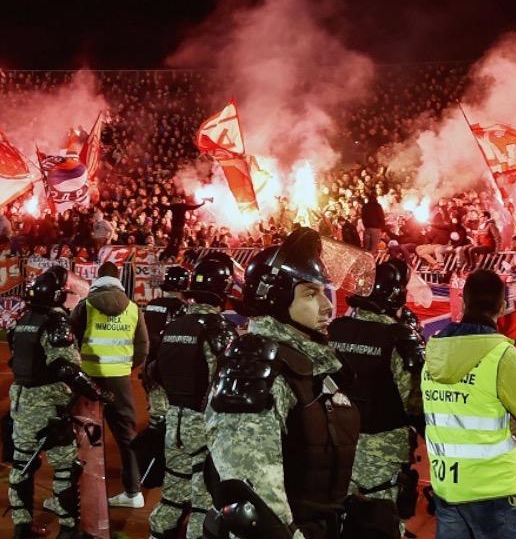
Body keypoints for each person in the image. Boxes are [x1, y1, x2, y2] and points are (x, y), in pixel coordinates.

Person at [204, 228, 360, 538]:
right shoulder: (256, 366)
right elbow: (254, 493)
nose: (327, 307)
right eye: (310, 294)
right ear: (274, 298)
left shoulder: (307, 359)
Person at [421, 269, 516, 539]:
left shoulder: (432, 354)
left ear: (464, 304)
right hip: (491, 491)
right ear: (501, 308)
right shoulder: (502, 355)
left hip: (446, 488)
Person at [8, 266, 114, 539]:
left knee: (22, 464)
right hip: (46, 404)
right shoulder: (55, 322)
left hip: (21, 399)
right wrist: (97, 393)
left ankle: (21, 526)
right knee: (65, 467)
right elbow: (65, 367)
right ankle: (68, 529)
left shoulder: (24, 319)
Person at [329, 258, 425, 536]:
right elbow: (416, 402)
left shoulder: (334, 328)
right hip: (381, 454)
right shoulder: (399, 337)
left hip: (335, 446)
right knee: (380, 524)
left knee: (337, 522)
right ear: (396, 296)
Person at [147, 256, 237, 539]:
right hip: (204, 424)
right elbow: (224, 384)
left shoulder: (173, 326)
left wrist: (163, 412)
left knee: (172, 492)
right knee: (202, 501)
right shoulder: (218, 329)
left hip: (174, 420)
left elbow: (152, 374)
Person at [71, 261, 149, 509]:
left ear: (97, 279)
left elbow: (70, 339)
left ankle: (74, 492)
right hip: (119, 379)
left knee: (80, 433)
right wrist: (125, 366)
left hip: (88, 378)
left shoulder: (86, 305)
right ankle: (133, 491)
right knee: (127, 436)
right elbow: (143, 347)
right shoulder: (134, 309)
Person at [143, 265, 190, 427]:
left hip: (149, 359)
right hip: (170, 362)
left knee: (155, 406)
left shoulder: (151, 304)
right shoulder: (183, 308)